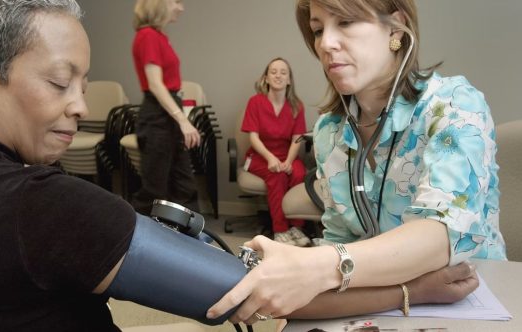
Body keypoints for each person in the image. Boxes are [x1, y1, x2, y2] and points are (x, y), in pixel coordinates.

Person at [207, 0, 504, 325]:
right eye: (318, 30)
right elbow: (320, 278)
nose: (325, 44)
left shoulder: (454, 105)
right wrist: (409, 291)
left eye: (346, 22)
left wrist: (314, 266)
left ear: (395, 27)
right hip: (375, 303)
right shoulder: (328, 133)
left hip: (471, 299)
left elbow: (441, 236)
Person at [0, 1, 218, 331]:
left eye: (82, 88)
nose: (81, 107)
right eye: (59, 82)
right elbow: (237, 289)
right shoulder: (40, 202)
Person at [130, 0, 201, 215]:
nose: (181, 8)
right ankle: (131, 242)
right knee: (154, 191)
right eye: (176, 2)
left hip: (167, 113)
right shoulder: (148, 36)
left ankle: (188, 240)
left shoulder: (160, 37)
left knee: (184, 185)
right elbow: (155, 85)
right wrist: (183, 120)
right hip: (157, 117)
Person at [241, 57, 310, 247]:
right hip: (260, 155)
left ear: (289, 80)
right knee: (277, 175)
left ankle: (296, 227)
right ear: (266, 78)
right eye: (273, 72)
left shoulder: (297, 106)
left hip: (285, 154)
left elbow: (297, 137)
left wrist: (289, 160)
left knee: (299, 172)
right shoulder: (255, 102)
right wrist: (271, 158)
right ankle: (280, 230)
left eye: (283, 72)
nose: (278, 76)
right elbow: (253, 137)